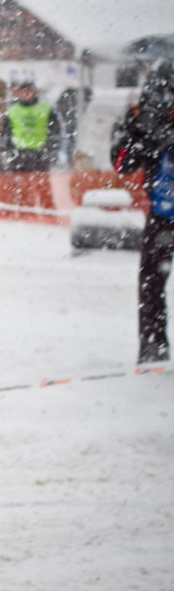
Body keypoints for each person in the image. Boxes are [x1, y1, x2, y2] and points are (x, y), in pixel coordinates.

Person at [111, 60, 174, 364]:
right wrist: (142, 136)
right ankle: (153, 349)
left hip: (163, 210)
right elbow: (121, 162)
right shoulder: (139, 115)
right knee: (151, 283)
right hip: (162, 213)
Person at [1, 79, 62, 210]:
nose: (27, 94)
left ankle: (48, 211)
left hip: (40, 153)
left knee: (43, 186)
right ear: (19, 93)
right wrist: (9, 150)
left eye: (29, 91)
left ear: (34, 92)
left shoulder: (45, 108)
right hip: (19, 153)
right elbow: (5, 132)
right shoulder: (13, 110)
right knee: (21, 187)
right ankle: (23, 210)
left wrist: (51, 149)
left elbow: (55, 130)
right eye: (24, 91)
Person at [55, 86, 93, 168]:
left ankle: (71, 163)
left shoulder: (67, 97)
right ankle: (71, 163)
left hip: (71, 127)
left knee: (70, 145)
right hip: (72, 127)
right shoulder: (73, 98)